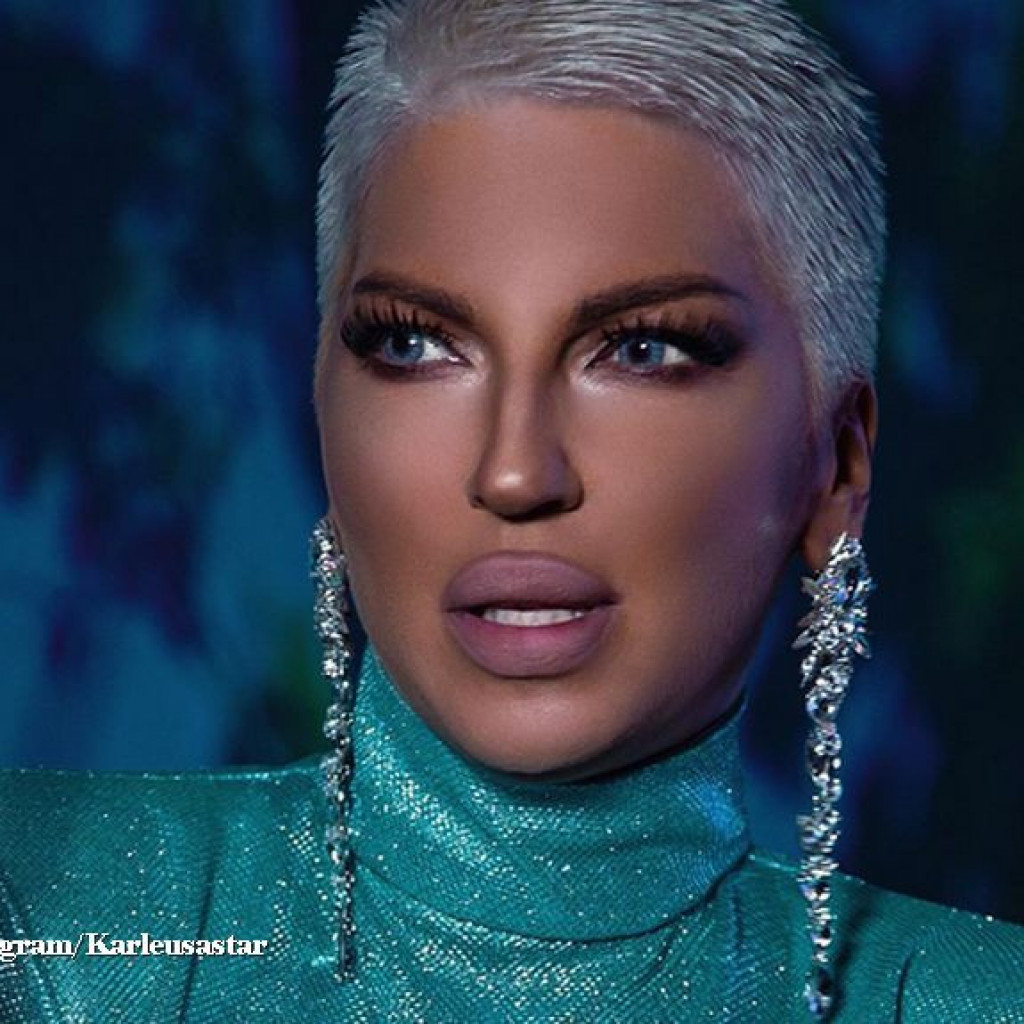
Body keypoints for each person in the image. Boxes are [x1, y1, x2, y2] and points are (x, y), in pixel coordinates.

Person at [2, 0, 1023, 1021]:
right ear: (324, 406)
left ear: (836, 466)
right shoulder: (52, 919)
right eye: (412, 344)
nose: (515, 473)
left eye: (643, 350)